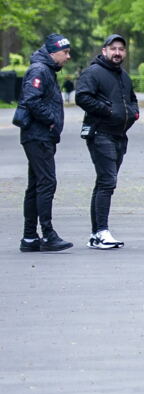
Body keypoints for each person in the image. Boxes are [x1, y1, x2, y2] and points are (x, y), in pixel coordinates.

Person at [74, 34, 139, 249]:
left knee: (104, 183)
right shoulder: (93, 72)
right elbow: (82, 96)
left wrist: (134, 113)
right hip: (100, 134)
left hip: (120, 136)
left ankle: (96, 234)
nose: (117, 53)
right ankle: (101, 232)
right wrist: (108, 111)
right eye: (113, 49)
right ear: (104, 51)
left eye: (121, 49)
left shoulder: (123, 76)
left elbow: (132, 99)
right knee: (107, 182)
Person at [18, 34, 73, 252]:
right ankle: (48, 234)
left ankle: (30, 237)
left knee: (36, 185)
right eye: (65, 52)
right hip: (37, 136)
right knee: (47, 182)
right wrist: (50, 120)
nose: (68, 57)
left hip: (39, 136)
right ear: (53, 52)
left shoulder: (45, 69)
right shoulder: (39, 70)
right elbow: (31, 99)